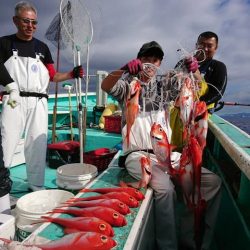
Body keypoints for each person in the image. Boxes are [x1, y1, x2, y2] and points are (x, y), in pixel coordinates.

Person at [101, 41, 221, 250]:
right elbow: (106, 86)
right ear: (138, 60)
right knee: (165, 190)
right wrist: (122, 69)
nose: (150, 64)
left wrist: (195, 72)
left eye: (155, 60)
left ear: (160, 63)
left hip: (165, 153)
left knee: (212, 182)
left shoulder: (164, 85)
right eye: (146, 59)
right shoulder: (128, 86)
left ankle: (190, 239)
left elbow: (195, 90)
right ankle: (168, 246)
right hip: (138, 155)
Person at [0, 1, 84, 193]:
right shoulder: (4, 43)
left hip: (39, 102)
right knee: (6, 142)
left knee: (37, 145)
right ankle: (1, 184)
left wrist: (72, 73)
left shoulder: (42, 48)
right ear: (15, 21)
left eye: (34, 22)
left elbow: (52, 76)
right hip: (14, 100)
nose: (31, 26)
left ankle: (36, 186)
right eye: (26, 21)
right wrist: (11, 87)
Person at [171, 31, 228, 149]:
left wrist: (197, 106)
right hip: (178, 112)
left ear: (216, 48)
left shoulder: (219, 67)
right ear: (196, 45)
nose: (205, 48)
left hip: (201, 115)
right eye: (202, 44)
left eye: (209, 45)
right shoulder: (183, 63)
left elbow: (218, 92)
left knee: (193, 148)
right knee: (174, 147)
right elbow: (172, 87)